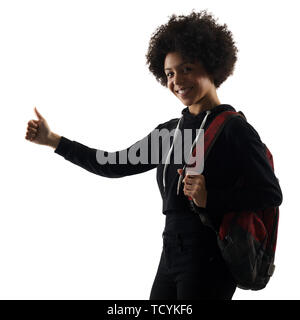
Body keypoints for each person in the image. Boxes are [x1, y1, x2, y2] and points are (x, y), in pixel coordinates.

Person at [25, 10, 282, 300]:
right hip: (170, 252)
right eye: (170, 73)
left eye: (186, 69)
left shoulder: (234, 129)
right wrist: (55, 141)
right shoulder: (170, 133)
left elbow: (270, 194)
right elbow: (113, 163)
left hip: (210, 257)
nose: (177, 80)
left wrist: (212, 198)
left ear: (211, 65)